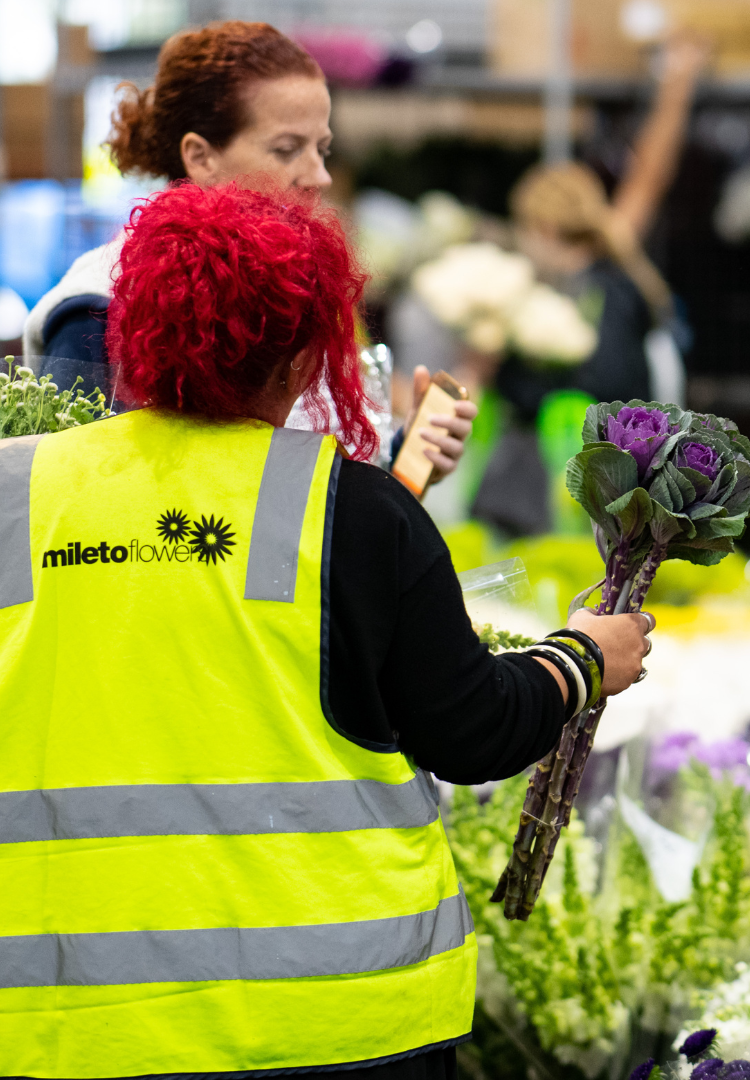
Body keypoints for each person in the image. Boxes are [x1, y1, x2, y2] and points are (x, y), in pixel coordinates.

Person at [0, 182, 653, 1078]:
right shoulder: (350, 505)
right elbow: (471, 729)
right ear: (303, 357)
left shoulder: (15, 490)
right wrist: (582, 659)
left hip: (61, 1025)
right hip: (334, 1017)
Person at [20, 20, 476, 490]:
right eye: (287, 149)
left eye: (321, 149)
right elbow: (80, 507)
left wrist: (404, 464)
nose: (318, 176)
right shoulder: (99, 305)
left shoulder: (294, 288)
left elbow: (313, 495)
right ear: (200, 157)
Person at [470, 36, 707, 536]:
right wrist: (677, 84)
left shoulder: (596, 292)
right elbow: (648, 179)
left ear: (543, 228)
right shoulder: (614, 268)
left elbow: (597, 391)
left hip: (585, 502)